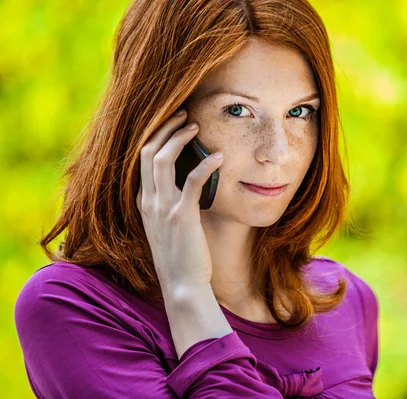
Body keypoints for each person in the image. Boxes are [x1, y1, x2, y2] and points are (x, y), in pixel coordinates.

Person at [14, 0, 379, 397]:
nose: (278, 152)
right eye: (238, 110)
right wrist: (188, 293)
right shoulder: (74, 309)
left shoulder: (347, 301)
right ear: (160, 120)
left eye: (300, 112)